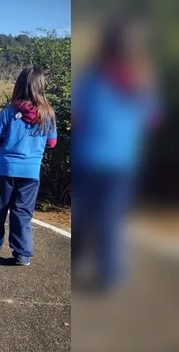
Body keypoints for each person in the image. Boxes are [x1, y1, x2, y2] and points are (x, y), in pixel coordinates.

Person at [72, 18, 157, 290]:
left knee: (84, 216)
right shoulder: (142, 77)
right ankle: (109, 275)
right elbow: (152, 119)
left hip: (90, 157)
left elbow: (79, 116)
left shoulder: (93, 76)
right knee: (110, 219)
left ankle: (82, 264)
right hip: (123, 162)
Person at [0, 68, 57, 266]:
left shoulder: (9, 112)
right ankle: (22, 253)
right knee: (22, 212)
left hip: (5, 168)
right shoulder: (48, 114)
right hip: (31, 171)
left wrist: (3, 144)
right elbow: (51, 143)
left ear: (19, 85)